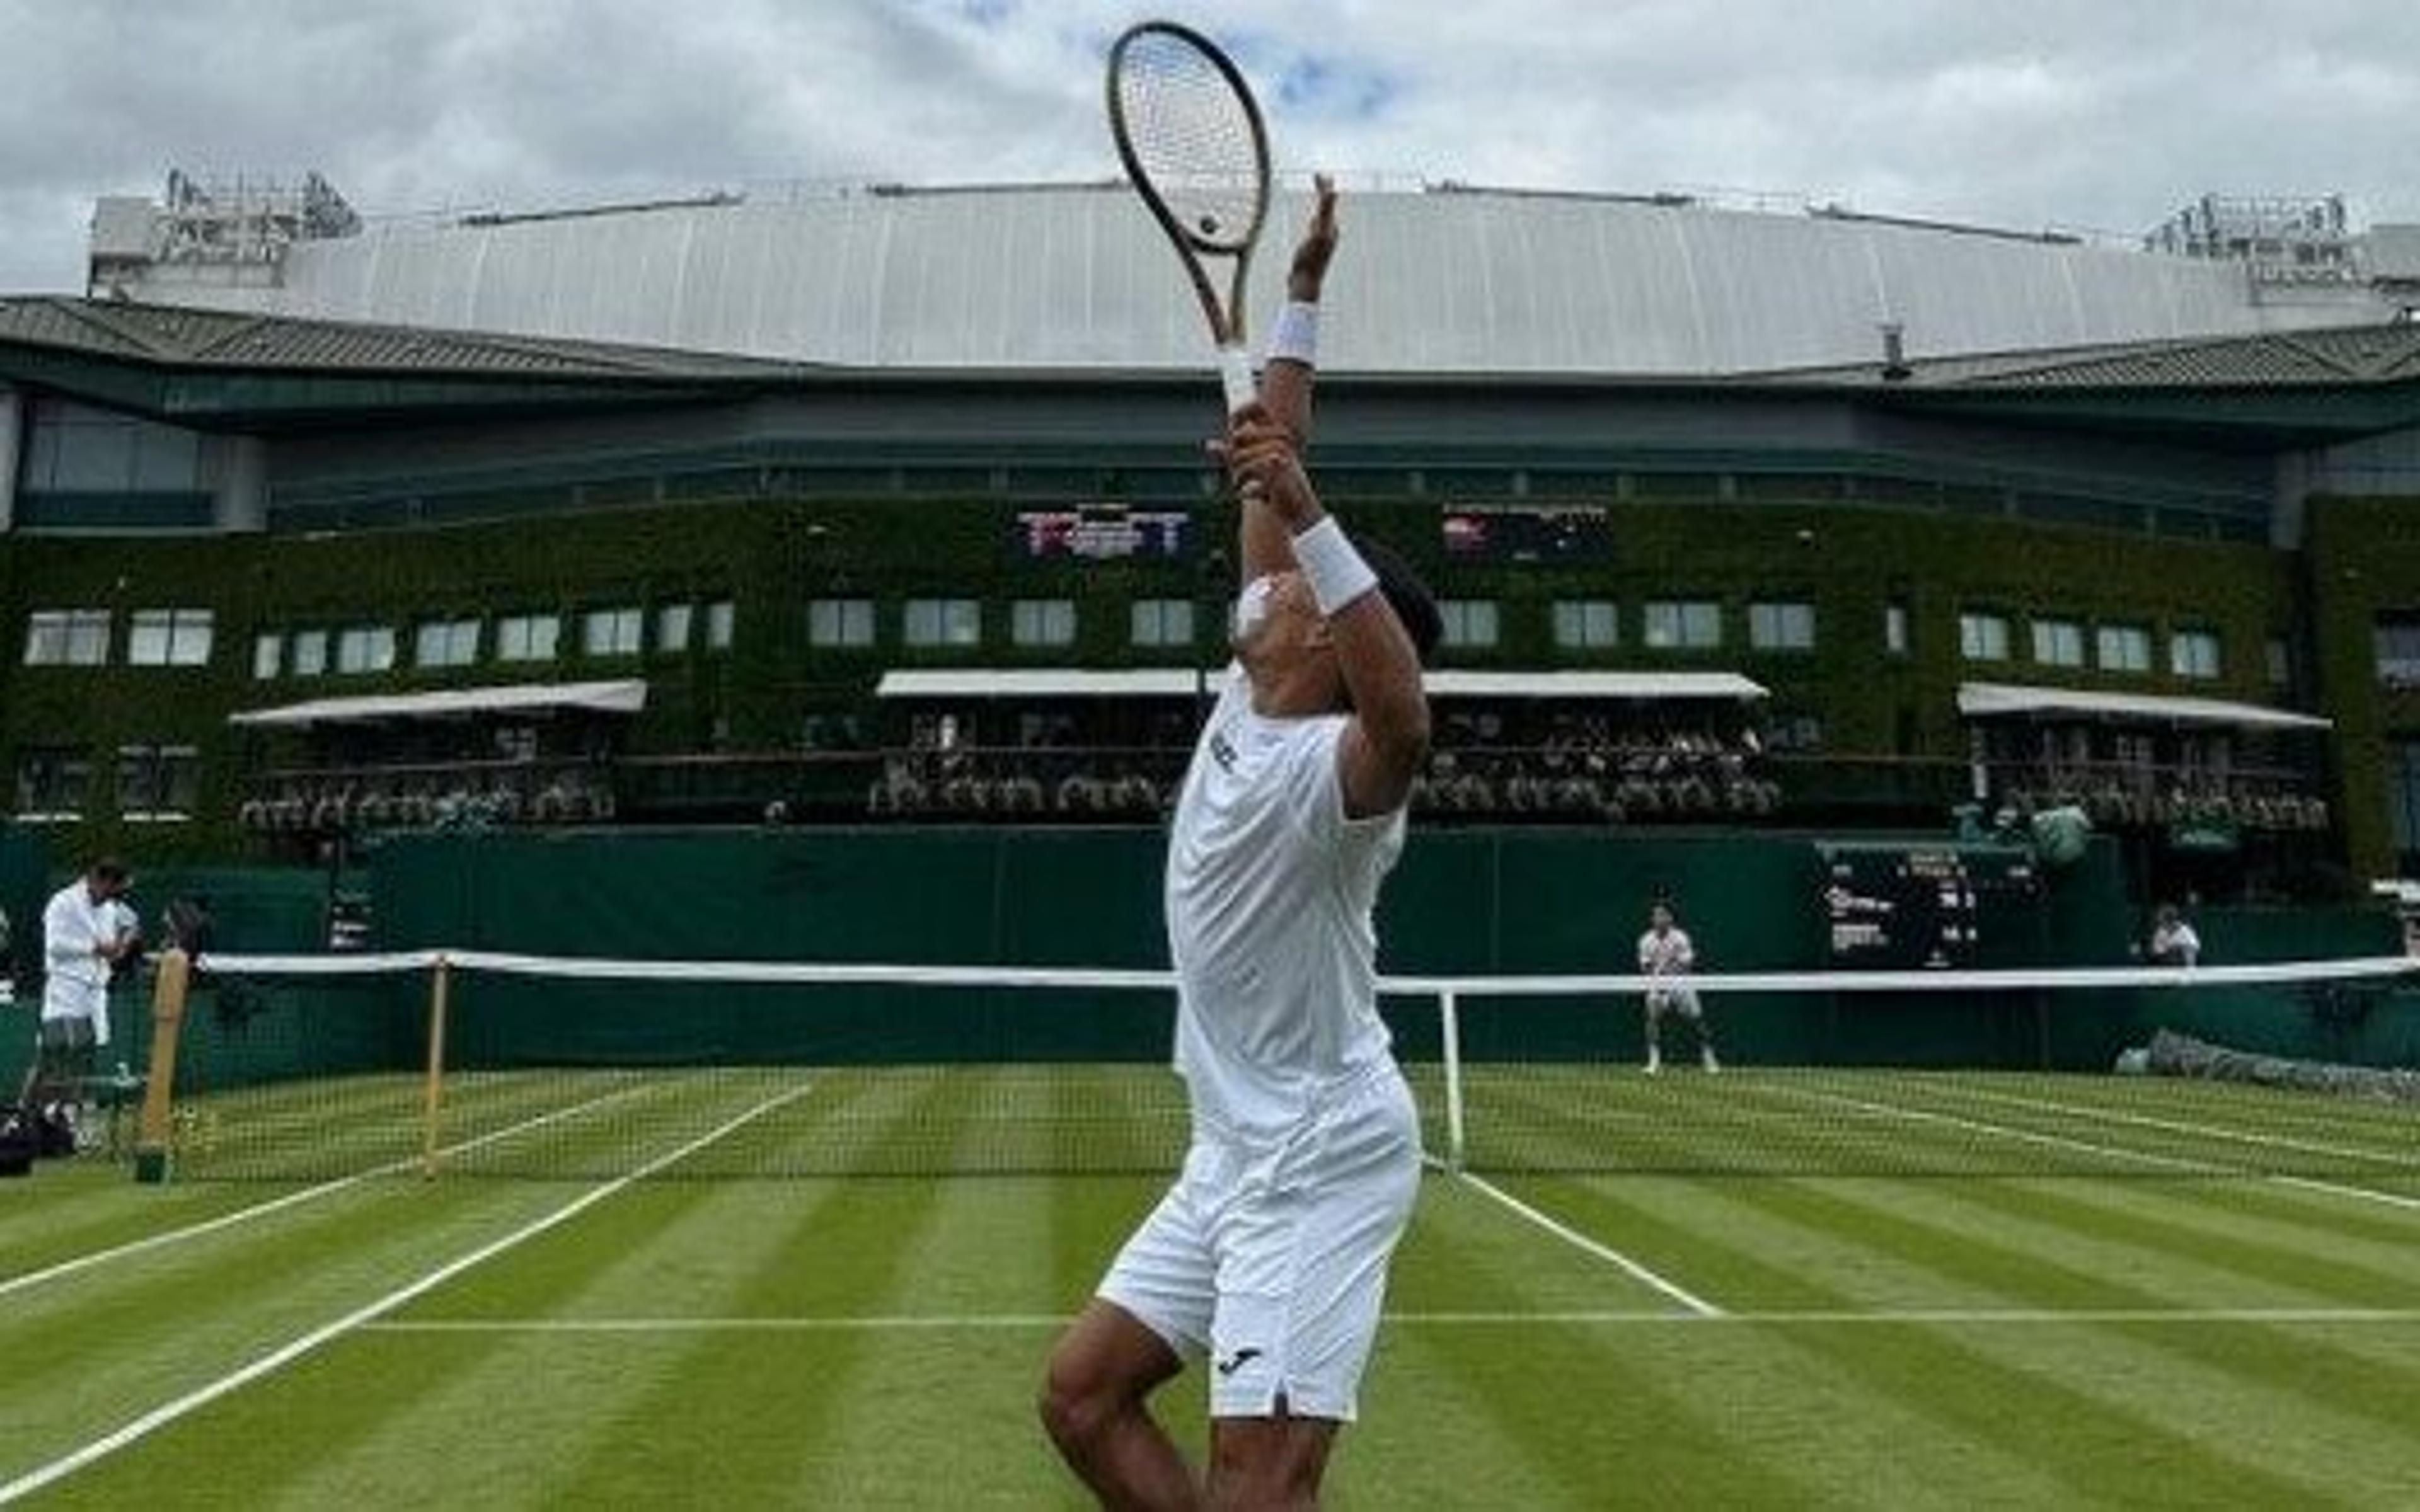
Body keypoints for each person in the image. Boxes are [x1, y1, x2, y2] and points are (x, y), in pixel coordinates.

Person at [1042, 177, 1442, 1510]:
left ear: (1324, 633)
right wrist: (1305, 292)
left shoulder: (1339, 774)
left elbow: (1407, 716)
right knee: (1084, 1399)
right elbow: (1268, 449)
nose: (1261, 579)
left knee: (1258, 1486)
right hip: (1230, 1150)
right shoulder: (1245, 685)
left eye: (1293, 586)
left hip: (1315, 1155)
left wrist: (1318, 516)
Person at [30, 858, 137, 1147]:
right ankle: (30, 1116)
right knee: (55, 1055)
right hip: (64, 988)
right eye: (114, 890)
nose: (116, 898)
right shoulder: (62, 903)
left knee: (86, 1058)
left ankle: (75, 1123)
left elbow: (125, 930)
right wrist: (96, 948)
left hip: (96, 990)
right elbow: (54, 946)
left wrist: (120, 946)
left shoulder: (110, 908)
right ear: (98, 880)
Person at [1639, 899, 1719, 1075]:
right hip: (1657, 987)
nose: (1658, 918)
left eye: (1662, 915)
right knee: (1651, 1020)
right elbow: (1646, 967)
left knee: (1698, 1022)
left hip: (1682, 985)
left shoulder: (1681, 938)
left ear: (1670, 918)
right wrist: (1659, 982)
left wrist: (1668, 974)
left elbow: (1686, 964)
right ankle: (1653, 1061)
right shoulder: (1646, 941)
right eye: (1655, 915)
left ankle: (1709, 1058)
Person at [2149, 903, 2201, 968]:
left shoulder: (2185, 931)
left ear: (2171, 921)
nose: (2162, 924)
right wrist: (2166, 950)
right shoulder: (2161, 932)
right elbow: (2157, 949)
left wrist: (2179, 947)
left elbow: (2195, 947)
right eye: (2161, 922)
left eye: (2164, 921)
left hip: (2185, 968)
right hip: (2166, 968)